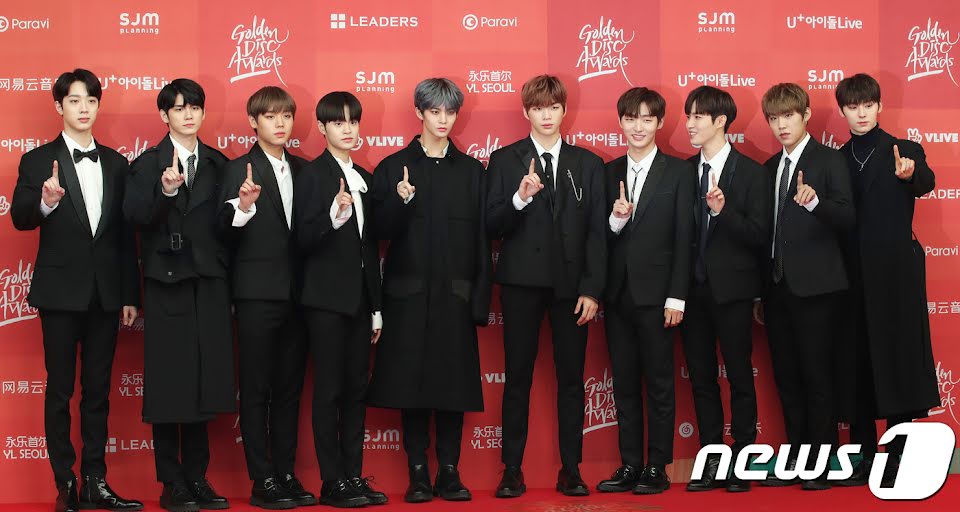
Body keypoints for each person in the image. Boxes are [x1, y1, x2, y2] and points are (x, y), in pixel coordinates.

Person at [10, 68, 142, 512]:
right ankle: (64, 482)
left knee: (98, 392)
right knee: (60, 391)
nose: (84, 108)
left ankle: (95, 482)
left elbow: (124, 236)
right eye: (74, 101)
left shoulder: (118, 164)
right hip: (60, 293)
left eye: (90, 100)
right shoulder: (36, 160)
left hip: (106, 295)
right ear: (59, 106)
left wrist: (129, 294)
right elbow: (20, 217)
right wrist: (46, 202)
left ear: (98, 105)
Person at [366, 78, 492, 504]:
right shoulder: (393, 167)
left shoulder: (472, 172)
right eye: (435, 111)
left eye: (450, 112)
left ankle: (450, 472)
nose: (443, 120)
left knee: (453, 387)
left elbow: (481, 241)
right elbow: (376, 233)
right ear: (419, 112)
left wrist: (479, 300)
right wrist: (399, 202)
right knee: (412, 387)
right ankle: (417, 472)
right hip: (407, 298)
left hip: (456, 297)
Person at [486, 75, 607, 498]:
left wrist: (592, 289)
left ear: (564, 110)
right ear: (526, 112)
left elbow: (598, 233)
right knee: (517, 377)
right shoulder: (504, 160)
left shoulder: (588, 163)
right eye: (538, 108)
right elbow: (490, 225)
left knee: (571, 379)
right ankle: (511, 470)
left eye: (554, 107)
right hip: (521, 283)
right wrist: (519, 199)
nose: (547, 116)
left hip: (572, 289)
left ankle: (571, 469)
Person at [123, 78, 234, 511]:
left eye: (195, 107)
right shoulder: (146, 164)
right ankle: (171, 481)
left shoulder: (220, 164)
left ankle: (197, 478)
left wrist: (243, 210)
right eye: (179, 107)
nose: (188, 114)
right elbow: (134, 217)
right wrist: (166, 192)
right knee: (170, 382)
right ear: (164, 115)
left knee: (205, 379)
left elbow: (227, 229)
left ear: (203, 113)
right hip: (166, 281)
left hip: (209, 281)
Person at [831, 73, 939, 487]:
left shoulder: (905, 149)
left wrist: (910, 175)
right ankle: (862, 457)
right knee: (856, 361)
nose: (861, 113)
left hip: (895, 276)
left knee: (898, 359)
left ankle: (899, 457)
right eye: (852, 106)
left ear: (879, 106)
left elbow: (926, 182)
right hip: (851, 276)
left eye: (867, 105)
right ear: (843, 111)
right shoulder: (836, 160)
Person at [218, 86, 315, 509]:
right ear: (253, 122)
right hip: (256, 295)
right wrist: (243, 207)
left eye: (286, 116)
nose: (280, 123)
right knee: (256, 390)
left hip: (300, 296)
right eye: (271, 116)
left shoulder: (306, 170)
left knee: (290, 391)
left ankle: (286, 473)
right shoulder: (237, 170)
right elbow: (220, 230)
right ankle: (263, 480)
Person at [595, 87, 695, 495]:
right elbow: (597, 238)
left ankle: (657, 466)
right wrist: (616, 221)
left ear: (659, 123)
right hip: (618, 296)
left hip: (659, 298)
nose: (638, 127)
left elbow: (685, 237)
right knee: (623, 384)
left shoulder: (679, 172)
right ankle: (630, 464)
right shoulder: (607, 172)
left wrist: (677, 296)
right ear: (621, 122)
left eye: (647, 119)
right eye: (631, 119)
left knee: (659, 384)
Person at [757, 83, 855, 491]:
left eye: (788, 116)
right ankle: (797, 457)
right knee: (787, 378)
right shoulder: (768, 168)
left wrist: (816, 204)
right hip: (777, 290)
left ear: (806, 115)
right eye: (774, 118)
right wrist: (762, 291)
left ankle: (823, 461)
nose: (781, 125)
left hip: (818, 289)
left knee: (818, 377)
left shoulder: (830, 160)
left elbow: (847, 219)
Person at [294, 91, 388, 507]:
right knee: (329, 391)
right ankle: (332, 481)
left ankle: (353, 476)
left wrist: (376, 307)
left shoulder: (364, 176)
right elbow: (301, 239)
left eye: (353, 122)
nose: (347, 129)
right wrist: (333, 217)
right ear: (322, 127)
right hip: (325, 302)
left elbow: (370, 250)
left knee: (355, 391)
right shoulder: (312, 176)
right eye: (338, 122)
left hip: (360, 303)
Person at [679, 86, 771, 493]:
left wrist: (723, 212)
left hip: (733, 293)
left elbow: (759, 235)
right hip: (692, 293)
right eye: (688, 116)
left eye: (698, 116)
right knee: (701, 379)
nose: (690, 124)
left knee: (739, 377)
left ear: (720, 121)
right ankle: (711, 459)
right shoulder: (683, 172)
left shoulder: (751, 172)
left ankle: (744, 459)